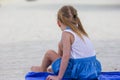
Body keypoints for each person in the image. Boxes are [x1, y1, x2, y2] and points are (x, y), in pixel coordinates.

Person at [31, 5, 102, 80]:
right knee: (61, 44)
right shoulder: (81, 32)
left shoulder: (66, 34)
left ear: (58, 23)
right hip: (92, 70)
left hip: (77, 72)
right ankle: (56, 68)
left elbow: (66, 56)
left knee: (49, 53)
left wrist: (59, 77)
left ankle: (42, 69)